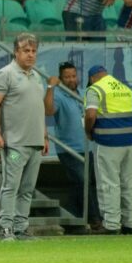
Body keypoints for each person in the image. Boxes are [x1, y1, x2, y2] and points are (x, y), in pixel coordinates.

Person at [0, 33, 48, 241]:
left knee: (28, 188)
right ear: (16, 52)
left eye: (33, 51)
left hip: (35, 142)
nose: (30, 55)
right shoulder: (6, 74)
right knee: (11, 185)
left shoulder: (36, 76)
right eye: (26, 51)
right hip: (14, 144)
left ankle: (21, 228)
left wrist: (44, 136)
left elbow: (38, 107)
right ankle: (6, 227)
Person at [44, 62, 102, 234]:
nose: (71, 79)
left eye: (73, 76)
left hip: (87, 147)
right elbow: (48, 111)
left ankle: (72, 221)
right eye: (67, 77)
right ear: (61, 79)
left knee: (82, 185)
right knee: (83, 183)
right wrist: (50, 87)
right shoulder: (58, 95)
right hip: (68, 149)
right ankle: (95, 220)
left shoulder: (84, 93)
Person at [84, 65, 132, 235]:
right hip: (129, 142)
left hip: (107, 141)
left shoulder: (95, 89)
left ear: (92, 78)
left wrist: (88, 131)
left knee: (108, 183)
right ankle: (130, 223)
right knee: (128, 183)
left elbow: (90, 115)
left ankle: (111, 225)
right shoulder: (124, 88)